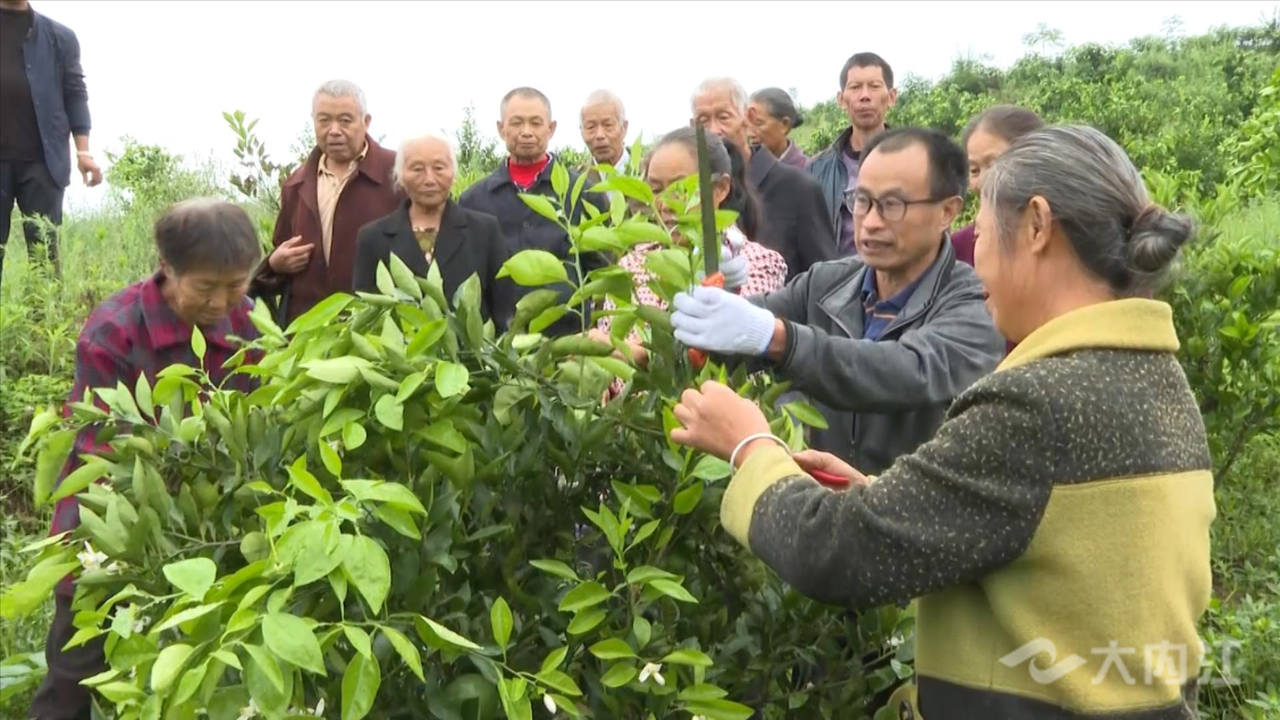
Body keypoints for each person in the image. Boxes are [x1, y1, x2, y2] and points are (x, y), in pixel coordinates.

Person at [670, 125, 1208, 720]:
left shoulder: (1034, 402)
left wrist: (750, 445)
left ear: (1036, 225)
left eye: (984, 228)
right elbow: (1040, 531)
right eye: (862, 202)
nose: (977, 254)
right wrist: (880, 493)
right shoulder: (1159, 379)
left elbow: (838, 550)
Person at [31, 199, 263, 720]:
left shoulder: (248, 325)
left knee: (198, 676)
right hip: (110, 524)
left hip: (214, 528)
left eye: (235, 285)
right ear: (167, 268)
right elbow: (103, 449)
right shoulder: (115, 331)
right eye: (206, 288)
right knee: (75, 677)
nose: (221, 302)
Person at [672, 128, 1004, 473]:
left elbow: (909, 370)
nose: (871, 222)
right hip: (823, 499)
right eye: (862, 200)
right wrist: (717, 299)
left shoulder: (974, 304)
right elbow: (734, 341)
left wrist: (780, 338)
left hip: (915, 503)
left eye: (892, 205)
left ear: (947, 211)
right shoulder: (826, 284)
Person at [595, 128, 787, 370]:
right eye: (656, 191)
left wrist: (642, 356)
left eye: (681, 189)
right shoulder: (633, 265)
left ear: (720, 189)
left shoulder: (756, 263)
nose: (665, 204)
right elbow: (612, 365)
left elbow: (735, 350)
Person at [460, 86, 607, 336]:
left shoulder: (583, 192)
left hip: (570, 341)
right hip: (499, 344)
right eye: (516, 123)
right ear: (501, 128)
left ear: (551, 128)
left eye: (536, 123)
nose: (526, 131)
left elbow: (602, 270)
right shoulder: (474, 200)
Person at [251, 79, 399, 325]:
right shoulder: (296, 185)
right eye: (324, 120)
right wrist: (275, 263)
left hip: (377, 327)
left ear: (366, 122)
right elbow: (281, 249)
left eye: (345, 120)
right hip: (309, 330)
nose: (334, 130)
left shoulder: (398, 174)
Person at [353, 133, 512, 326]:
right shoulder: (373, 237)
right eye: (417, 169)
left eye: (439, 168)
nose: (429, 179)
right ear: (400, 176)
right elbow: (367, 314)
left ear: (453, 173)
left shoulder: (485, 231)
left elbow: (504, 310)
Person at [0, 0, 102, 286]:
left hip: (43, 163)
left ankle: (43, 316)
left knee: (44, 256)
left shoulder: (60, 37)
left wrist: (84, 152)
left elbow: (75, 93)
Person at [692, 78, 834, 279]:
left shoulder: (798, 188)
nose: (714, 130)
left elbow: (827, 279)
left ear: (747, 118)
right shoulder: (691, 196)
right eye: (703, 121)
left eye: (724, 117)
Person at [807, 52, 896, 256]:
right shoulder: (816, 170)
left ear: (891, 97)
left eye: (874, 86)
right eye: (855, 87)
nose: (864, 96)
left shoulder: (915, 163)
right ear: (841, 99)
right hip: (836, 275)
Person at [950, 105, 1044, 266]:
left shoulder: (1063, 235)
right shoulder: (959, 249)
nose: (983, 180)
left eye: (994, 165)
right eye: (974, 170)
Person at [747, 87, 807, 169]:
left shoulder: (808, 170)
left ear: (784, 124)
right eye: (747, 124)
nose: (749, 134)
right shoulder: (745, 168)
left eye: (758, 123)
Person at [580, 89, 631, 173]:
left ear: (624, 128)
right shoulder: (574, 179)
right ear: (581, 132)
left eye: (608, 125)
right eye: (591, 127)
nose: (599, 135)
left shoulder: (647, 175)